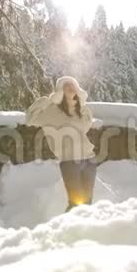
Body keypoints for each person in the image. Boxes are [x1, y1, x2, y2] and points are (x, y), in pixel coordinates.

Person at [25, 76, 97, 212]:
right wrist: (46, 101)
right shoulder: (52, 111)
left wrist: (83, 107)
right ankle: (67, 230)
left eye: (73, 86)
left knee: (87, 203)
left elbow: (85, 127)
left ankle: (85, 231)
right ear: (59, 90)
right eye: (66, 86)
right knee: (75, 204)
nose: (71, 88)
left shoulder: (79, 109)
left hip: (89, 160)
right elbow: (30, 118)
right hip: (70, 162)